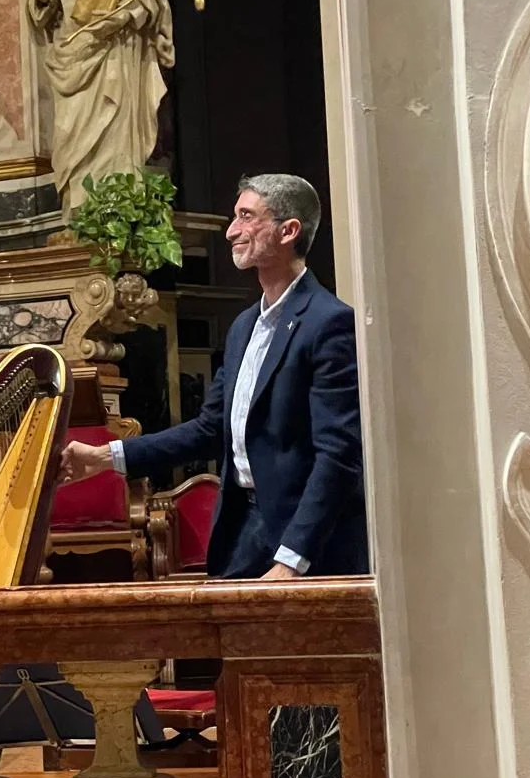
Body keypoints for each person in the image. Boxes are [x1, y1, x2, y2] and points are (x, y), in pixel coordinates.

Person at [59, 173, 367, 579]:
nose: (231, 231)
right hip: (244, 533)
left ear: (289, 230)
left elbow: (339, 456)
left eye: (246, 216)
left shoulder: (329, 323)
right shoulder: (243, 327)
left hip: (305, 544)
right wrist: (105, 458)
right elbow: (209, 429)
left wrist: (293, 559)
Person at [27, 0, 174, 214]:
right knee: (71, 129)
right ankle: (78, 204)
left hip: (113, 46)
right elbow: (40, 0)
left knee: (114, 121)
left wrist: (120, 13)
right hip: (72, 46)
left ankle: (117, 203)